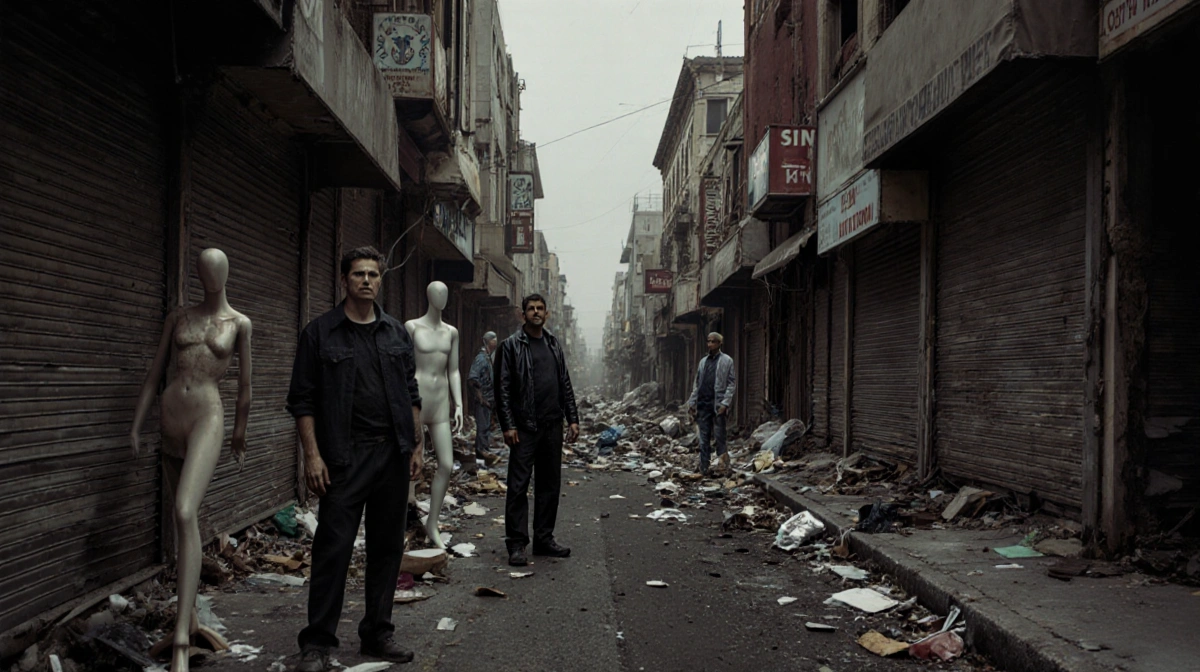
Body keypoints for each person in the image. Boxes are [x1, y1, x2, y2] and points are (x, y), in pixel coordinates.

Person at [286, 246, 423, 671]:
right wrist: (312, 456)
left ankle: (377, 634)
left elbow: (411, 393)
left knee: (386, 549)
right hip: (344, 457)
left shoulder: (397, 333)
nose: (367, 280)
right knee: (334, 548)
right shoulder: (320, 333)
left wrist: (416, 446)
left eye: (373, 274)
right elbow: (302, 400)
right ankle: (317, 643)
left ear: (381, 280)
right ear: (344, 280)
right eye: (359, 274)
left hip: (393, 454)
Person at [130, 248, 252, 672]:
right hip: (170, 415)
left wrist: (239, 431)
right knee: (184, 523)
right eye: (203, 268)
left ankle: (181, 639)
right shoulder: (178, 317)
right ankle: (191, 615)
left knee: (184, 511)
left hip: (207, 416)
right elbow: (155, 373)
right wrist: (136, 425)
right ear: (197, 273)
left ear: (227, 270)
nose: (211, 274)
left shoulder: (239, 323)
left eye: (217, 267)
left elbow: (245, 388)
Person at [494, 294, 580, 567]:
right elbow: (503, 389)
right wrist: (507, 425)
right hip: (524, 428)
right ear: (523, 315)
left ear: (547, 313)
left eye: (540, 308)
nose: (535, 312)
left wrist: (572, 418)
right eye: (530, 309)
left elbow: (564, 382)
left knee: (549, 485)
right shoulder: (510, 347)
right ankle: (517, 544)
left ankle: (544, 539)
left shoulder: (553, 344)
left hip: (552, 425)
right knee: (518, 486)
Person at [404, 281, 464, 549]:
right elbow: (405, 367)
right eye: (438, 293)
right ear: (429, 296)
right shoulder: (412, 327)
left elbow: (453, 370)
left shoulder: (452, 332)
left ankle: (433, 523)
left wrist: (459, 404)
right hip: (416, 400)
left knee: (447, 464)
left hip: (440, 403)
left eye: (445, 293)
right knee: (412, 466)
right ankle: (406, 517)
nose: (442, 297)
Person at [687, 332, 735, 475]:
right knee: (703, 439)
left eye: (713, 341)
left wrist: (725, 403)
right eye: (708, 341)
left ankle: (723, 467)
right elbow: (697, 384)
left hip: (718, 405)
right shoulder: (703, 362)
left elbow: (731, 384)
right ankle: (704, 467)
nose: (710, 344)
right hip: (703, 404)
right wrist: (692, 402)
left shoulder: (727, 361)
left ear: (720, 343)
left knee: (720, 437)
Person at [468, 331, 501, 465]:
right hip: (482, 401)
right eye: (494, 339)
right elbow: (472, 379)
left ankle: (484, 457)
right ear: (488, 341)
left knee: (486, 428)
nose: (496, 341)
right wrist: (480, 398)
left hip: (488, 401)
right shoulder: (481, 359)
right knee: (482, 429)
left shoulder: (488, 358)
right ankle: (481, 457)